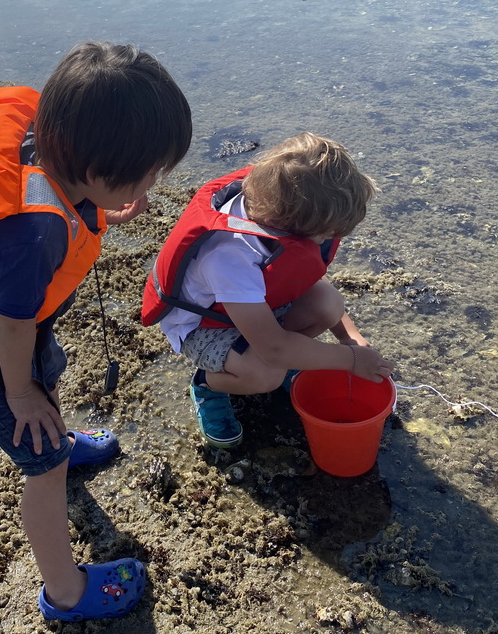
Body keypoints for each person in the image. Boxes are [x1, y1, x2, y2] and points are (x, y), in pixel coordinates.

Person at [0, 42, 192, 620]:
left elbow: (66, 197)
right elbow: (14, 322)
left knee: (42, 380)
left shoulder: (51, 147)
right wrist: (21, 392)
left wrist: (111, 206)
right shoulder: (33, 234)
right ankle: (66, 593)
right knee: (43, 461)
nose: (148, 189)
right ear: (95, 170)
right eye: (143, 177)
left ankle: (55, 432)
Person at [142, 133, 395, 449]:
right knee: (266, 374)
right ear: (287, 226)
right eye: (326, 234)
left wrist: (349, 338)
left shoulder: (278, 205)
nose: (331, 239)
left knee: (328, 303)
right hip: (205, 327)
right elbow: (273, 348)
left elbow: (306, 279)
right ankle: (208, 385)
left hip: (251, 310)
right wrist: (350, 360)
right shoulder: (229, 255)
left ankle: (271, 361)